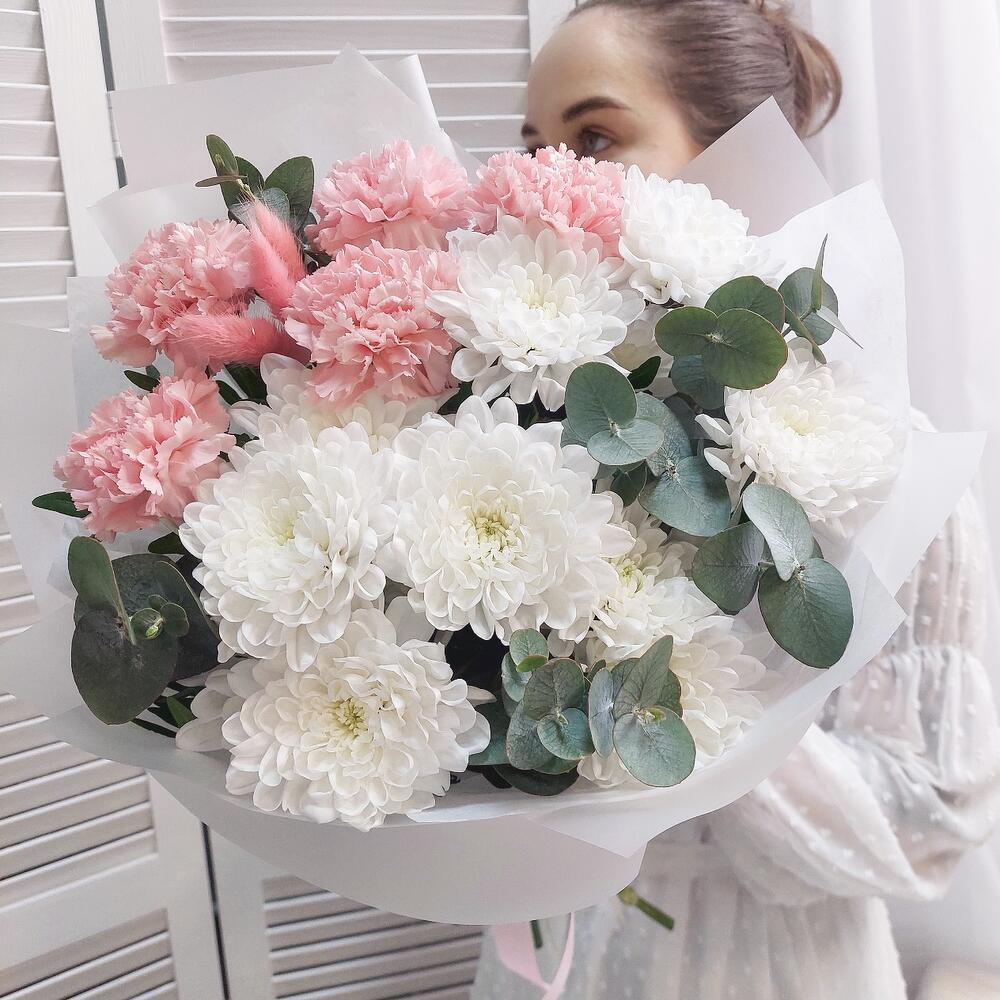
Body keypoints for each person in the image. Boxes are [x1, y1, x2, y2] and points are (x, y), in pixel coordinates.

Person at [471, 2, 1000, 997]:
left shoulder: (883, 469)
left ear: (737, 157)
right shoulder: (492, 451)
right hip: (555, 965)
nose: (541, 182)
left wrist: (652, 701)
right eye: (531, 143)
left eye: (593, 137)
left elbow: (924, 824)